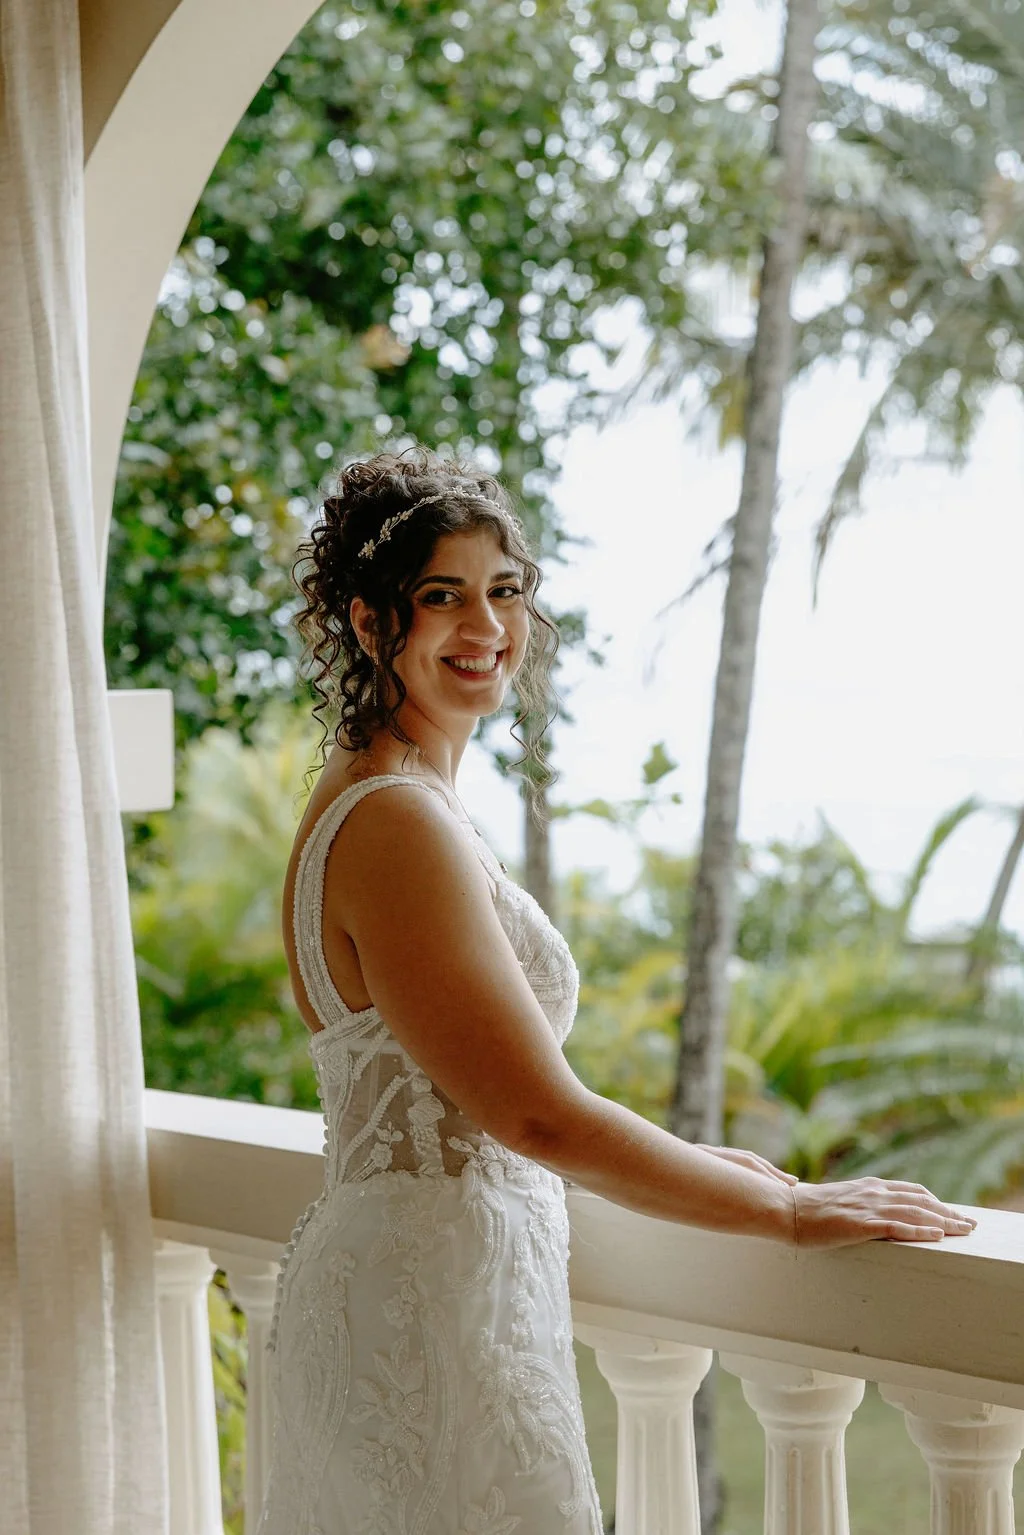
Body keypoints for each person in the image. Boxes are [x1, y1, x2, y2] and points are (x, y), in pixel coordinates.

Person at [255, 446, 976, 1535]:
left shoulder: (368, 799)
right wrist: (784, 1207)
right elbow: (534, 1110)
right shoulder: (394, 823)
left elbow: (465, 1093)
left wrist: (702, 1164)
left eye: (505, 592)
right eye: (441, 597)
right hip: (432, 1320)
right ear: (368, 622)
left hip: (413, 1286)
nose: (486, 626)